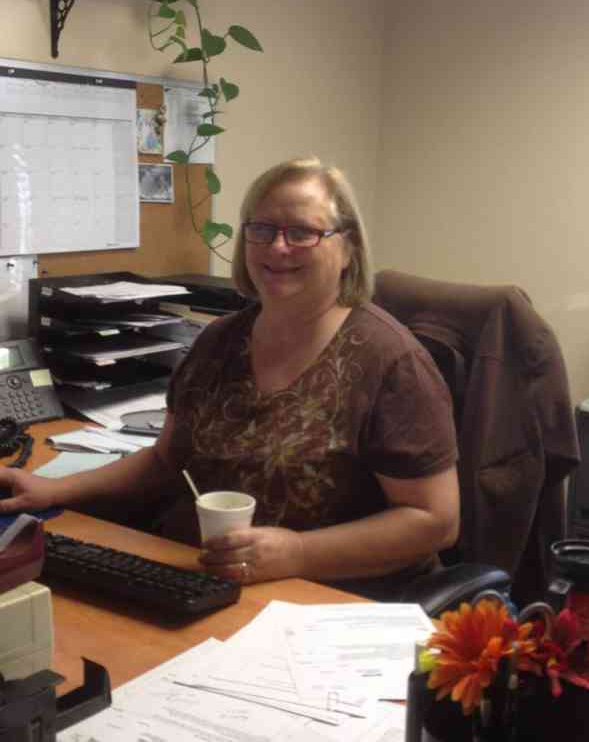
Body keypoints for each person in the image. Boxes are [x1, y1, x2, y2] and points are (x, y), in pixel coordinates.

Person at [0, 156, 460, 598]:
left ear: (348, 248)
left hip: (326, 602)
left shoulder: (391, 362)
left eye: (302, 232)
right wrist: (55, 489)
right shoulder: (219, 341)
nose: (278, 247)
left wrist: (299, 553)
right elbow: (165, 461)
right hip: (197, 580)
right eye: (263, 230)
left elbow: (435, 520)